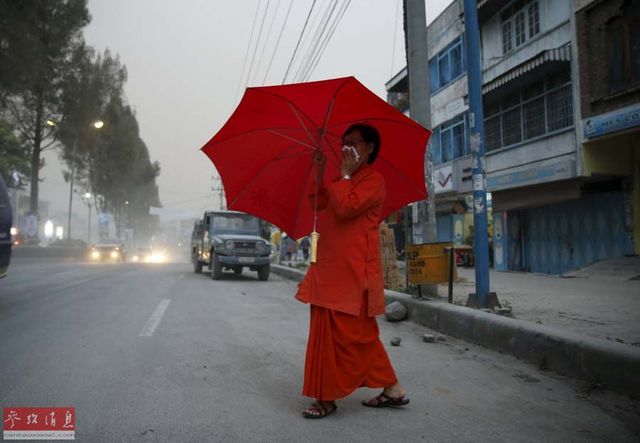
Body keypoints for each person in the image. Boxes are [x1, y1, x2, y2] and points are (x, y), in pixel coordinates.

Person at [295, 123, 409, 419]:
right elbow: (319, 203)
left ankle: (327, 398)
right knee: (349, 336)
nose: (347, 149)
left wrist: (343, 176)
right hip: (331, 270)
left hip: (354, 272)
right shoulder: (343, 179)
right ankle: (392, 389)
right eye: (344, 143)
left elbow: (346, 208)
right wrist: (321, 171)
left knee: (355, 336)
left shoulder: (373, 181)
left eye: (354, 143)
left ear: (370, 147)